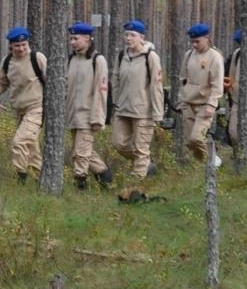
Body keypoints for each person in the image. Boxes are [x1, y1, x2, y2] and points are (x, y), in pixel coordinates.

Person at [0, 26, 47, 184]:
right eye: (17, 45)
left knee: (19, 142)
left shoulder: (37, 58)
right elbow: (1, 84)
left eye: (24, 44)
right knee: (31, 147)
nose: (21, 48)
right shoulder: (7, 61)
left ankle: (20, 178)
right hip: (19, 110)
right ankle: (41, 181)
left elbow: (52, 80)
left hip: (37, 108)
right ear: (10, 45)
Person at [110, 19, 165, 179]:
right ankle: (145, 162)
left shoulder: (150, 57)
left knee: (142, 148)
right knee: (118, 143)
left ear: (141, 37)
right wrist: (116, 102)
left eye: (132, 35)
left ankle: (137, 183)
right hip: (123, 109)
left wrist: (157, 113)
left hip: (143, 111)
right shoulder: (122, 56)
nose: (128, 38)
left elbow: (156, 85)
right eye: (126, 35)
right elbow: (116, 79)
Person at [65, 22, 114, 189]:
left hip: (88, 115)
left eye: (75, 38)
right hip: (73, 115)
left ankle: (80, 185)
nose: (72, 42)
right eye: (71, 38)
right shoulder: (71, 59)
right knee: (81, 151)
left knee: (81, 153)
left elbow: (101, 90)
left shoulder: (97, 60)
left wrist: (97, 117)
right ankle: (105, 176)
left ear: (87, 39)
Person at [177, 23, 225, 165]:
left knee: (197, 138)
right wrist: (182, 100)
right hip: (188, 103)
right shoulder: (189, 55)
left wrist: (212, 104)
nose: (194, 44)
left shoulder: (215, 57)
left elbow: (217, 84)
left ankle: (213, 161)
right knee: (189, 142)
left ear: (207, 38)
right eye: (192, 41)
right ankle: (201, 166)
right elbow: (183, 79)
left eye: (197, 41)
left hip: (204, 105)